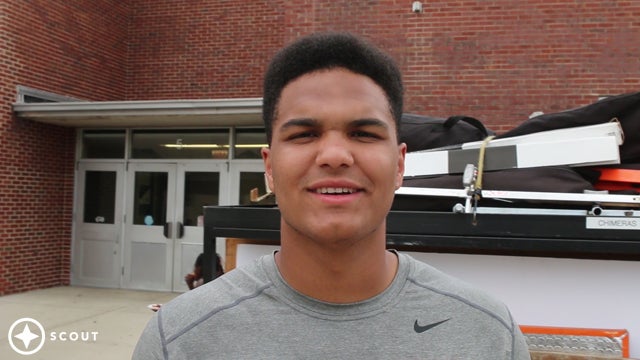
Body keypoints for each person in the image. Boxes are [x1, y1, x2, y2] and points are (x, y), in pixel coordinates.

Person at [132, 32, 530, 359]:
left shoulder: (489, 335)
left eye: (363, 133)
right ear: (269, 167)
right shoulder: (181, 341)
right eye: (304, 134)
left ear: (398, 164)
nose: (336, 156)